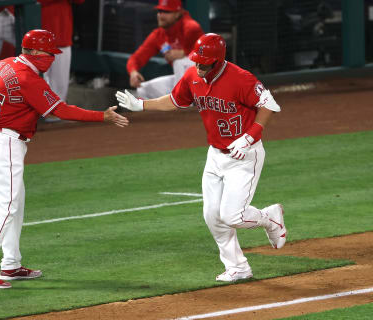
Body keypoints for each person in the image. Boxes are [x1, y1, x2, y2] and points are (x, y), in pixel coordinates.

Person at [0, 29, 128, 289]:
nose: (52, 58)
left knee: (14, 202)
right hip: (3, 141)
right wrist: (102, 116)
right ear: (37, 52)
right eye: (50, 53)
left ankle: (10, 264)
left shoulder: (4, 64)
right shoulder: (28, 79)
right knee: (6, 205)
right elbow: (60, 111)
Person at [116, 33, 286, 282]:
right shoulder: (192, 76)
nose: (198, 66)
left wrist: (249, 137)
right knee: (212, 216)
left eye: (204, 63)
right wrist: (141, 105)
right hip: (215, 155)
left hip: (244, 156)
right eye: (196, 61)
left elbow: (269, 104)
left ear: (218, 61)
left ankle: (270, 219)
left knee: (232, 216)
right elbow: (174, 101)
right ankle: (238, 267)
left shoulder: (241, 78)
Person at [127, 0, 204, 99]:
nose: (161, 15)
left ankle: (186, 105)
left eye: (166, 12)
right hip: (182, 79)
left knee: (179, 62)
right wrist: (133, 72)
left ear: (178, 13)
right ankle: (181, 103)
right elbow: (136, 58)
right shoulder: (158, 35)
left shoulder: (189, 26)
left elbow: (206, 57)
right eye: (159, 11)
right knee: (143, 90)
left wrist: (185, 52)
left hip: (205, 79)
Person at [37, 0, 85, 101]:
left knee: (59, 88)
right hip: (38, 37)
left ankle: (54, 115)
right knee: (36, 85)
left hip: (62, 35)